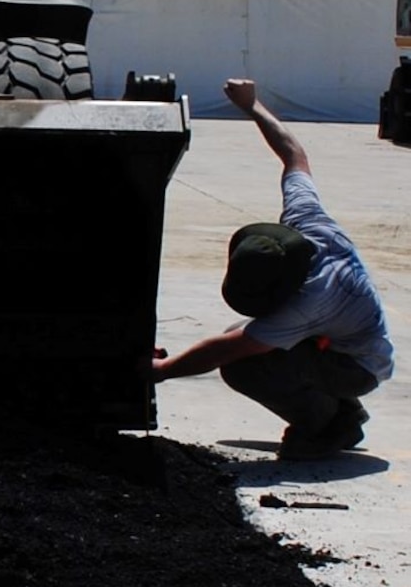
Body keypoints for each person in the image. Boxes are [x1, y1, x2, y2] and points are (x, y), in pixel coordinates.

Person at [151, 78, 393, 458]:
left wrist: (160, 370)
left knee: (243, 366)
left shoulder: (312, 299)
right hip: (343, 341)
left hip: (360, 367)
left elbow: (224, 350)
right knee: (246, 337)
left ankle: (331, 425)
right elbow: (294, 154)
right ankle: (338, 406)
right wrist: (252, 105)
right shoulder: (308, 222)